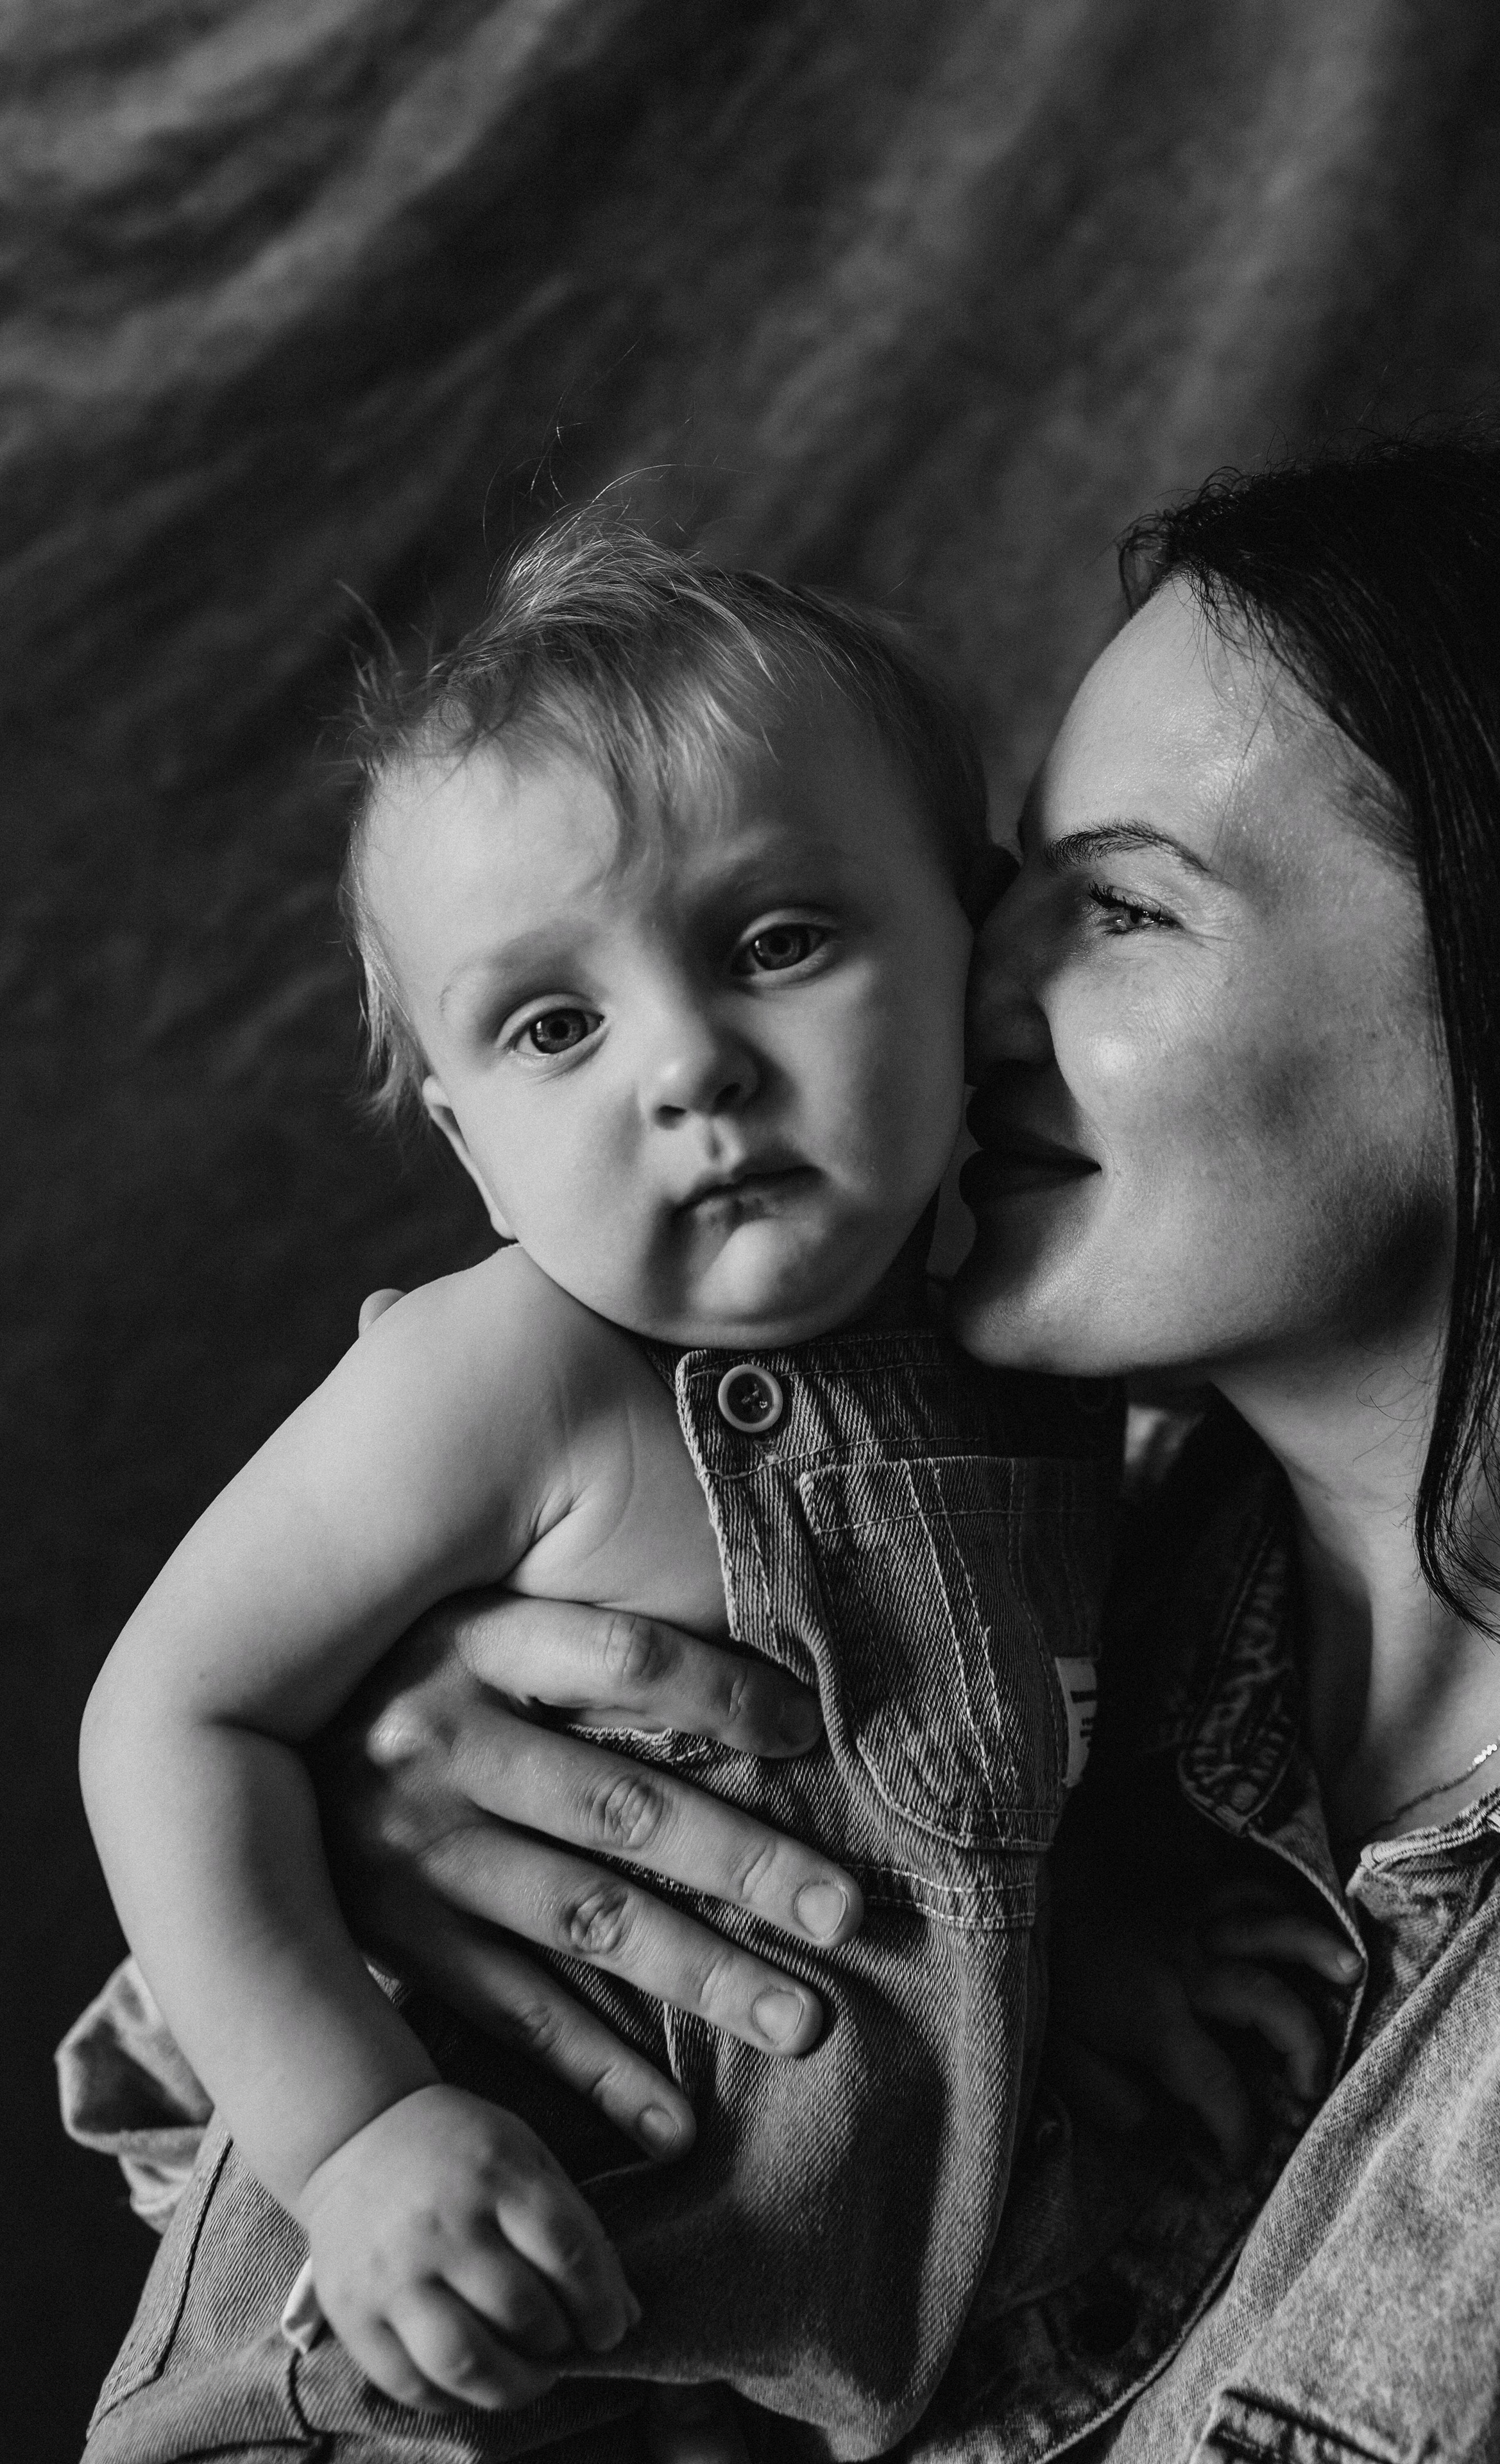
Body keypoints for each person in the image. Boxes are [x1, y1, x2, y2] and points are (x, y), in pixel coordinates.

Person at [65, 426, 1500, 2464]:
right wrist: (363, 1891)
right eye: (1012, 895)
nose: (988, 989)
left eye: (1119, 910)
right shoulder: (1073, 1569)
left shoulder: (1029, 1484)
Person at [72, 513, 1124, 2461]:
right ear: (472, 1145)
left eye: (777, 942)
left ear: (976, 946)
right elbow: (166, 1716)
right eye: (557, 1025)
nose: (691, 1068)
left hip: (810, 2352)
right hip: (428, 2334)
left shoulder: (1059, 1368)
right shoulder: (510, 1373)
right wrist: (361, 2130)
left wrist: (1161, 1943)